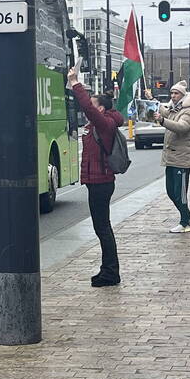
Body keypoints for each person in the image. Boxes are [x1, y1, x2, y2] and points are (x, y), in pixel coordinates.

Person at [67, 67, 125, 287]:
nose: (89, 107)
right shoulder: (98, 124)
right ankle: (107, 269)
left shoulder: (105, 123)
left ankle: (110, 272)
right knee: (102, 226)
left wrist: (75, 83)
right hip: (96, 181)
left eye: (93, 104)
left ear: (100, 108)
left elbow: (87, 108)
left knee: (102, 227)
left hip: (101, 181)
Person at [153, 80, 190, 233]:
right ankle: (189, 216)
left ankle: (185, 222)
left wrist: (163, 121)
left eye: (176, 93)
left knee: (180, 192)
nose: (173, 96)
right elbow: (165, 112)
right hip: (171, 157)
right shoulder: (174, 108)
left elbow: (182, 127)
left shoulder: (189, 111)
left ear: (183, 95)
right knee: (171, 191)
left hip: (182, 158)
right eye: (171, 93)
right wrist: (152, 100)